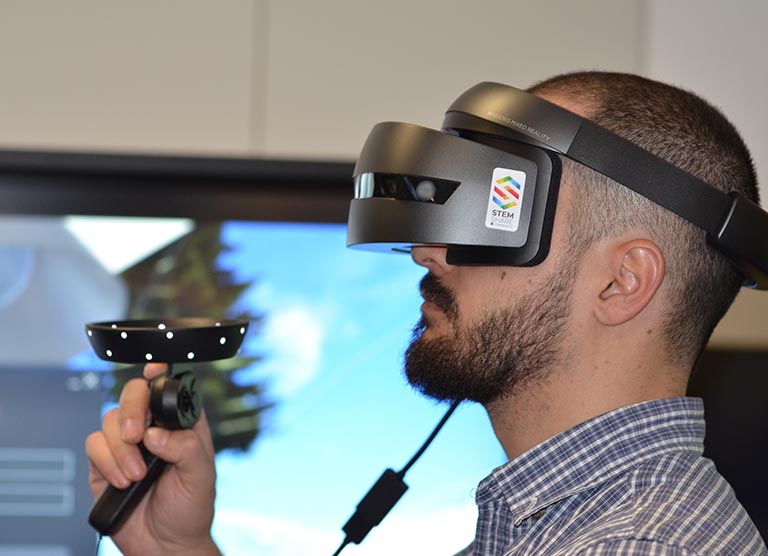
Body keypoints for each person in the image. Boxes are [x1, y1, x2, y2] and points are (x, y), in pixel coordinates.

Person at [86, 72, 768, 555]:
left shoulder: (633, 545)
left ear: (623, 282)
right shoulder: (546, 529)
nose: (427, 251)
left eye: (497, 211)